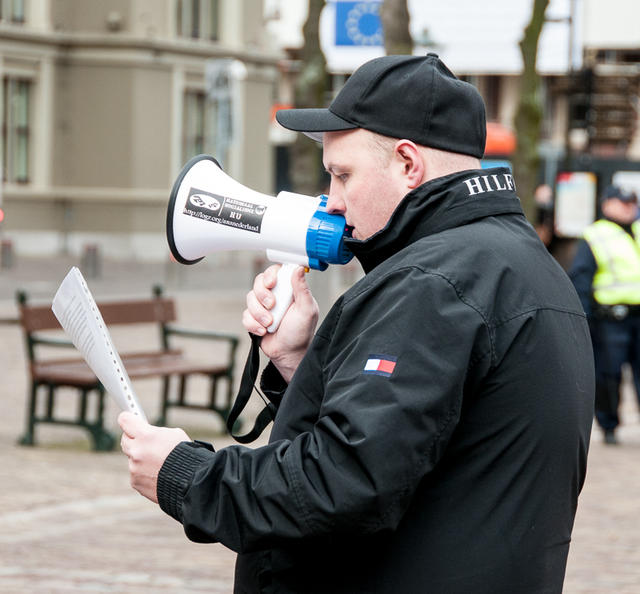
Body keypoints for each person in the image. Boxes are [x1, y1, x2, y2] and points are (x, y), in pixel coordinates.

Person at [119, 53, 594, 593]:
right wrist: (300, 364)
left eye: (343, 176)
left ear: (408, 164)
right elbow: (422, 440)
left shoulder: (431, 283)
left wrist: (185, 475)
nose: (333, 201)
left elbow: (342, 484)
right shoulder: (521, 262)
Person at [569, 185, 640, 445]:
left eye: (632, 202)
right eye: (623, 203)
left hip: (638, 318)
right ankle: (609, 425)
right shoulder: (595, 235)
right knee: (609, 375)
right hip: (611, 320)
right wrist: (583, 319)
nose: (629, 207)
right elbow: (581, 280)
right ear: (607, 204)